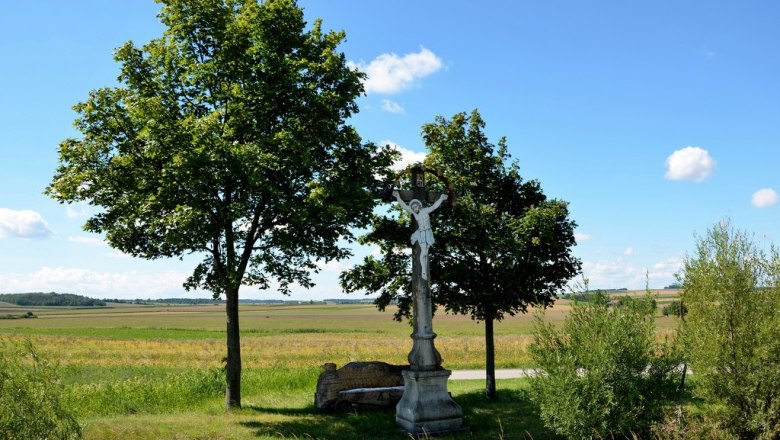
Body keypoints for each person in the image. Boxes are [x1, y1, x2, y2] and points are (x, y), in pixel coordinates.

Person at [392, 190, 448, 280]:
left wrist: (441, 198)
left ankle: (424, 269)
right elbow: (404, 206)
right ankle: (424, 271)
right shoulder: (414, 213)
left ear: (419, 205)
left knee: (426, 253)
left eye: (415, 206)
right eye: (413, 207)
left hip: (428, 232)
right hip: (421, 233)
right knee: (424, 252)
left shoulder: (425, 210)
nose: (414, 208)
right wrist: (398, 196)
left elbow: (434, 206)